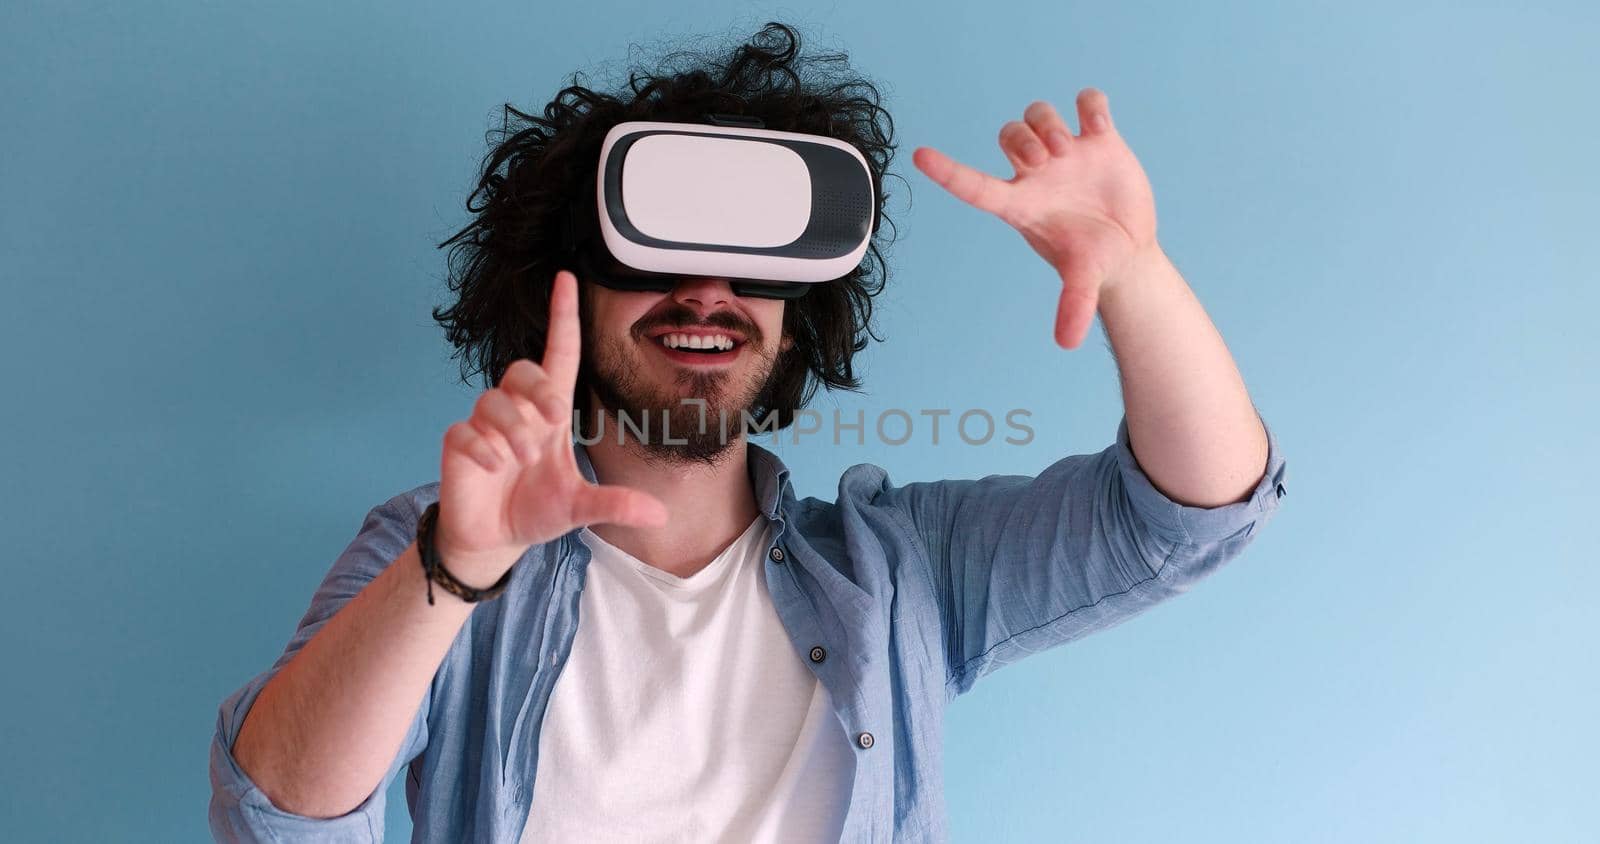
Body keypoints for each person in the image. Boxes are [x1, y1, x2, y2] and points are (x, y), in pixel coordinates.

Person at [209, 21, 1288, 843]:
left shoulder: (901, 570)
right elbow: (273, 813)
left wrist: (1135, 277)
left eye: (755, 260)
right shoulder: (435, 546)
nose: (708, 291)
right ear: (564, 285)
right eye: (654, 250)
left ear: (796, 309)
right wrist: (455, 568)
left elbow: (1187, 516)